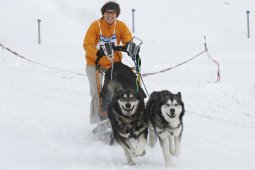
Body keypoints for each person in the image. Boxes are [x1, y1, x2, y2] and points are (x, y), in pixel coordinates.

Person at [83, 1, 133, 139]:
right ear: (103, 13)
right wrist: (98, 53)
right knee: (96, 91)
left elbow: (127, 38)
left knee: (115, 89)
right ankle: (101, 122)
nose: (110, 15)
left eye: (113, 13)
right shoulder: (96, 26)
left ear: (116, 14)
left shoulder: (120, 26)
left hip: (113, 63)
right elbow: (87, 44)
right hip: (95, 63)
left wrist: (130, 45)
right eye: (108, 13)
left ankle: (117, 117)